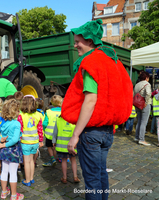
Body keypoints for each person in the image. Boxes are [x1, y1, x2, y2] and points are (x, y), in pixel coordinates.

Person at [62, 19, 133, 200]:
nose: (75, 45)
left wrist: (75, 135)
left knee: (92, 179)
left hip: (92, 132)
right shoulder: (111, 60)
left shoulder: (91, 63)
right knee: (101, 174)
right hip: (108, 131)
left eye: (78, 41)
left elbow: (90, 100)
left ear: (90, 41)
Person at [0, 99, 24, 200]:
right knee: (13, 172)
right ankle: (14, 195)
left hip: (4, 150)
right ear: (14, 112)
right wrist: (4, 145)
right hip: (13, 150)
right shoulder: (16, 124)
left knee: (4, 171)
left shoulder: (1, 121)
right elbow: (15, 139)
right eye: (18, 110)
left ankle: (4, 192)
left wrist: (0, 139)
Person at [18, 95, 43, 186]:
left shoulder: (21, 115)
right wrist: (41, 140)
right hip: (35, 141)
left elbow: (20, 130)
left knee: (26, 161)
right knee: (32, 160)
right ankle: (31, 178)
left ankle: (27, 180)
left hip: (25, 142)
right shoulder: (38, 115)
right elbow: (40, 129)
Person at [52, 117, 80, 184]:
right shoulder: (75, 119)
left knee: (63, 160)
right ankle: (75, 177)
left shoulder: (58, 119)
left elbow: (55, 132)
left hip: (62, 145)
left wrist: (54, 141)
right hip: (72, 145)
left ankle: (64, 178)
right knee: (73, 160)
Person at [42, 95, 62, 167]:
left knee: (49, 146)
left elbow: (44, 123)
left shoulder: (48, 112)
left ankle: (52, 158)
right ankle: (56, 157)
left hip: (49, 133)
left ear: (52, 103)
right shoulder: (62, 111)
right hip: (59, 133)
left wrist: (44, 129)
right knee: (55, 146)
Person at [134, 71, 152, 146]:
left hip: (137, 104)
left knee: (139, 121)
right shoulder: (147, 84)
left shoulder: (137, 84)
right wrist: (146, 102)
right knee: (144, 122)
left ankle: (137, 137)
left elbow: (133, 94)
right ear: (146, 77)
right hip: (144, 105)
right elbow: (148, 93)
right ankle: (141, 139)